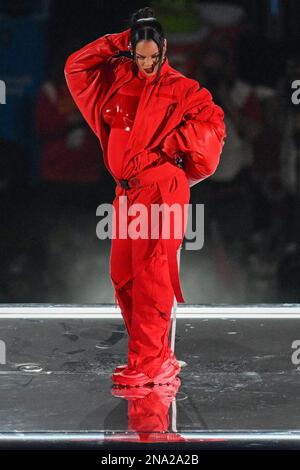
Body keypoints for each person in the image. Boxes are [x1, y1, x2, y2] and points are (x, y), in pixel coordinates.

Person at [64, 7, 226, 387]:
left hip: (160, 191)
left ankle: (151, 363)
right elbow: (76, 67)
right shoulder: (117, 80)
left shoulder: (183, 89)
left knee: (152, 276)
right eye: (140, 55)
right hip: (127, 194)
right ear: (131, 51)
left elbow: (214, 129)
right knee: (123, 275)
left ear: (166, 49)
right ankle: (155, 355)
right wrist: (119, 41)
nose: (149, 64)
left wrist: (175, 144)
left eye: (154, 56)